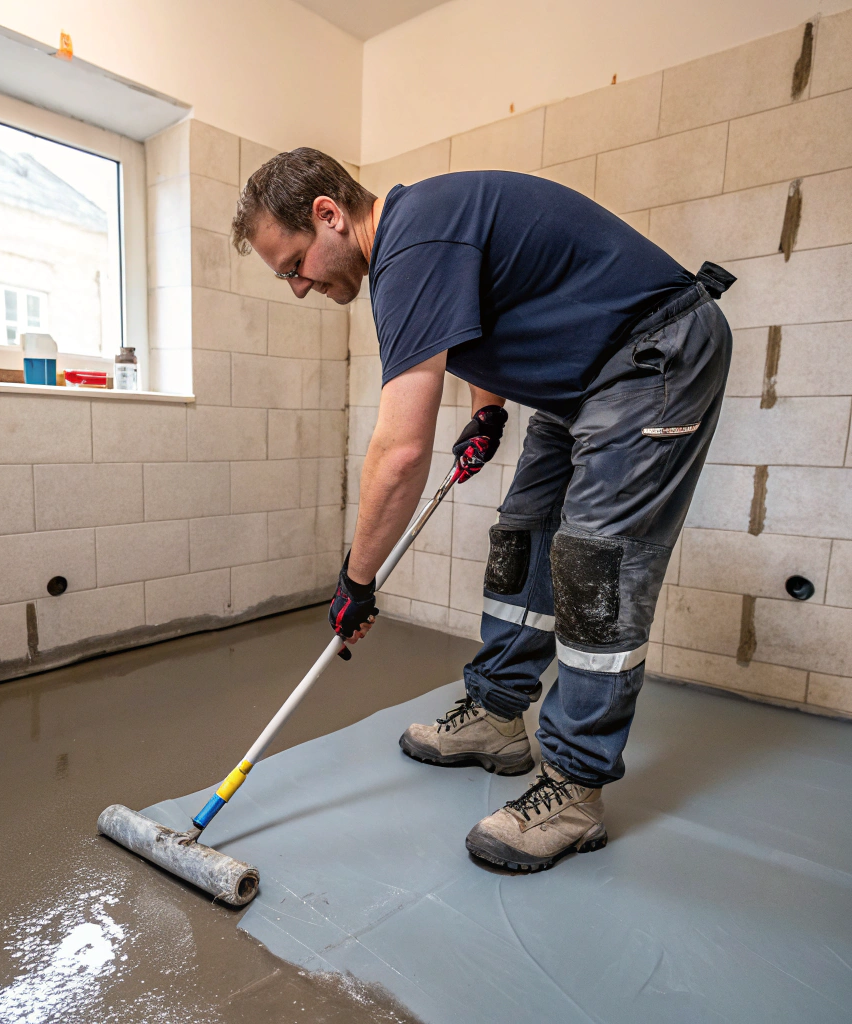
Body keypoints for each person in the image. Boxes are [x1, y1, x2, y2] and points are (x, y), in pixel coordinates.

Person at [230, 148, 733, 873]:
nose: (299, 286)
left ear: (329, 215)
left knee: (595, 567)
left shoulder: (413, 245)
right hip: (581, 381)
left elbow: (400, 453)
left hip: (653, 356)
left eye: (294, 265)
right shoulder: (418, 239)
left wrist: (357, 580)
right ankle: (498, 716)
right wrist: (490, 411)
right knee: (522, 540)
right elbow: (475, 320)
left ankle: (573, 786)